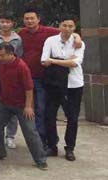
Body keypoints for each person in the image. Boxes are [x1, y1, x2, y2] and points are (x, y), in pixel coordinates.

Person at [17, 7, 82, 148]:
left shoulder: (49, 32)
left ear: (38, 19)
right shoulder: (21, 33)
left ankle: (43, 141)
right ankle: (44, 141)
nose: (29, 21)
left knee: (42, 110)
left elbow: (67, 32)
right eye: (27, 18)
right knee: (35, 112)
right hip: (27, 78)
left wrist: (77, 37)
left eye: (32, 18)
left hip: (45, 79)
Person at [0, 42, 48, 170]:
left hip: (22, 105)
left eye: (3, 55)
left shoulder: (22, 67)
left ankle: (40, 160)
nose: (0, 58)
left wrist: (28, 106)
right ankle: (0, 152)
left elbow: (29, 88)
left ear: (11, 54)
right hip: (4, 102)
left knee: (30, 131)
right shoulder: (0, 59)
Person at [41, 14, 85, 161]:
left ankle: (70, 148)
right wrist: (65, 61)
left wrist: (54, 61)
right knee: (49, 115)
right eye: (64, 25)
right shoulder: (50, 41)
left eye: (70, 26)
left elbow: (75, 63)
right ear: (59, 26)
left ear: (74, 27)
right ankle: (52, 145)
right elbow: (44, 61)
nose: (67, 28)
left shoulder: (79, 43)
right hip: (54, 84)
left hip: (74, 84)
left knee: (72, 117)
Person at [0, 12, 23, 148]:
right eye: (2, 21)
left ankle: (10, 136)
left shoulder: (17, 39)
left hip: (12, 76)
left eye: (8, 22)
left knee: (12, 108)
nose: (5, 24)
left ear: (12, 23)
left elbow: (19, 56)